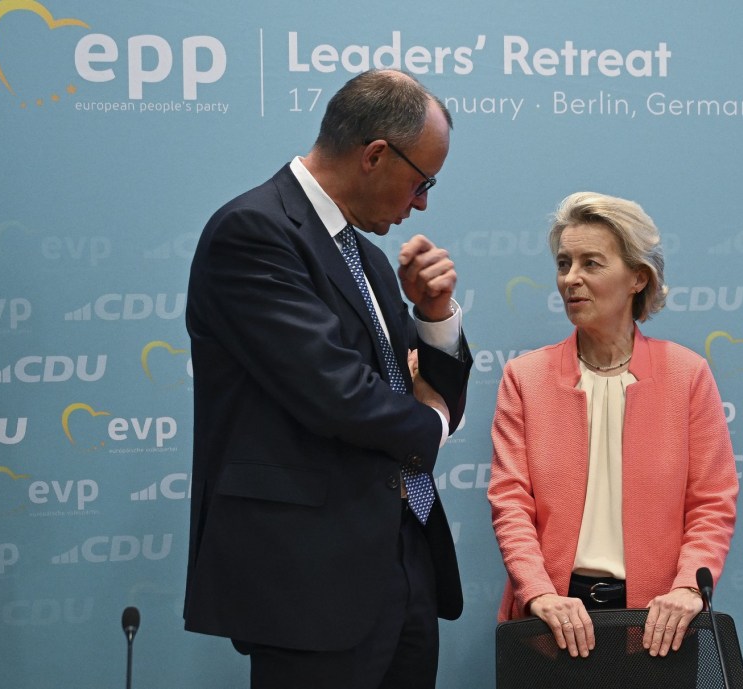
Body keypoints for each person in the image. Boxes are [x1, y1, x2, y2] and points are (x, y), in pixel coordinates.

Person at [183, 69, 472, 689]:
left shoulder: (368, 258)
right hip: (309, 580)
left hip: (405, 561)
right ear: (375, 155)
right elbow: (341, 397)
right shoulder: (254, 232)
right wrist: (431, 419)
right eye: (421, 182)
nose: (422, 203)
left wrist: (435, 316)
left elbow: (425, 391)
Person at [487, 191, 738, 660]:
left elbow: (711, 502)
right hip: (550, 626)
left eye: (591, 263)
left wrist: (688, 588)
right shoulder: (525, 377)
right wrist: (538, 594)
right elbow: (510, 502)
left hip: (659, 629)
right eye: (564, 264)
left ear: (638, 278)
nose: (571, 279)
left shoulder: (687, 375)